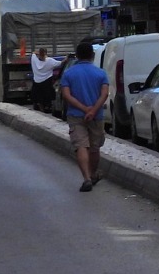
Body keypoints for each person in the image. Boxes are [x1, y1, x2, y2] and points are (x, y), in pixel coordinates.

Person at [57, 40, 109, 191]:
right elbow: (104, 94)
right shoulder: (101, 73)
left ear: (77, 56)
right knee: (94, 148)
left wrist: (84, 109)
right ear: (92, 55)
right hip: (96, 116)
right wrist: (93, 111)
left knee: (81, 146)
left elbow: (66, 95)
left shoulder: (68, 74)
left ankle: (86, 178)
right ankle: (93, 175)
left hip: (75, 115)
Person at [29, 46, 62, 114]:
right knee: (48, 96)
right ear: (46, 53)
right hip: (47, 83)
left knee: (39, 98)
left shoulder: (34, 59)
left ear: (39, 53)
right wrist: (67, 58)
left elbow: (33, 53)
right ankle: (47, 106)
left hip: (37, 83)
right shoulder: (50, 61)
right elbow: (60, 63)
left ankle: (41, 109)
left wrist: (37, 53)